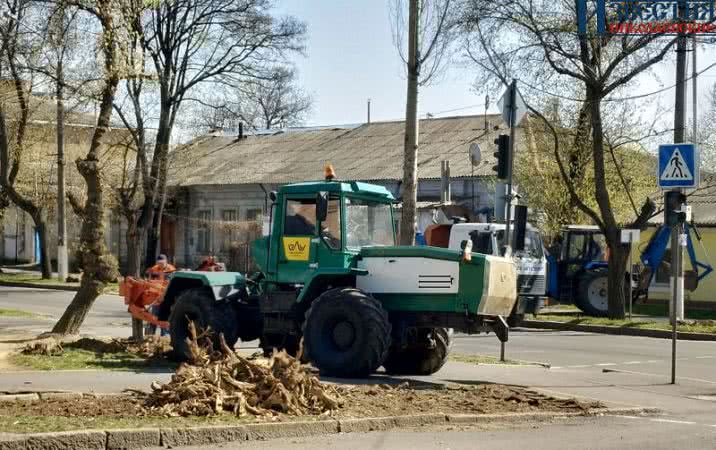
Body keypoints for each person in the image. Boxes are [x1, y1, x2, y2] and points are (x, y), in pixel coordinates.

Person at [145, 254, 175, 336]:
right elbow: (150, 281)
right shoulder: (154, 269)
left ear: (166, 261)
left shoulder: (171, 270)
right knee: (154, 317)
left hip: (166, 297)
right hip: (156, 296)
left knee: (164, 318)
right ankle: (150, 335)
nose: (160, 265)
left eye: (162, 263)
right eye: (159, 263)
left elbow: (170, 284)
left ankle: (164, 337)